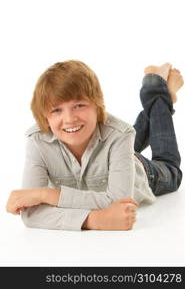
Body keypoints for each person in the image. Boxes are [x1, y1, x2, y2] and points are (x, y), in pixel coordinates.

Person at [6, 60, 183, 231]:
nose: (69, 119)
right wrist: (93, 220)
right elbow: (31, 214)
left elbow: (118, 200)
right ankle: (158, 93)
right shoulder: (37, 140)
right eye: (56, 110)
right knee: (121, 136)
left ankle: (156, 89)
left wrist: (44, 194)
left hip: (140, 171)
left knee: (170, 169)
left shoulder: (120, 135)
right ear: (45, 117)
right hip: (113, 153)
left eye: (79, 105)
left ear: (97, 107)